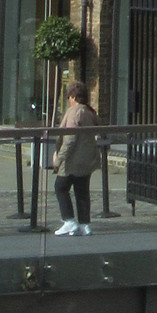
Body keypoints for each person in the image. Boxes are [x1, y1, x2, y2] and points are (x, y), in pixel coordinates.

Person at [51, 79, 102, 235]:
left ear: (73, 97)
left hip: (72, 160)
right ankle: (84, 224)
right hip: (87, 159)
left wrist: (58, 159)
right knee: (82, 191)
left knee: (60, 187)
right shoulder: (90, 112)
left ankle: (69, 221)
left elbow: (70, 139)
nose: (68, 100)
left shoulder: (74, 112)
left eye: (69, 97)